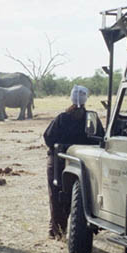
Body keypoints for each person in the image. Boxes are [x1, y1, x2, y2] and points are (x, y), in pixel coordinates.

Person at [43, 85, 93, 239]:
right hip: (83, 162)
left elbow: (48, 138)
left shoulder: (62, 118)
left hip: (58, 161)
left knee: (56, 194)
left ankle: (58, 229)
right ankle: (68, 228)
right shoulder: (90, 118)